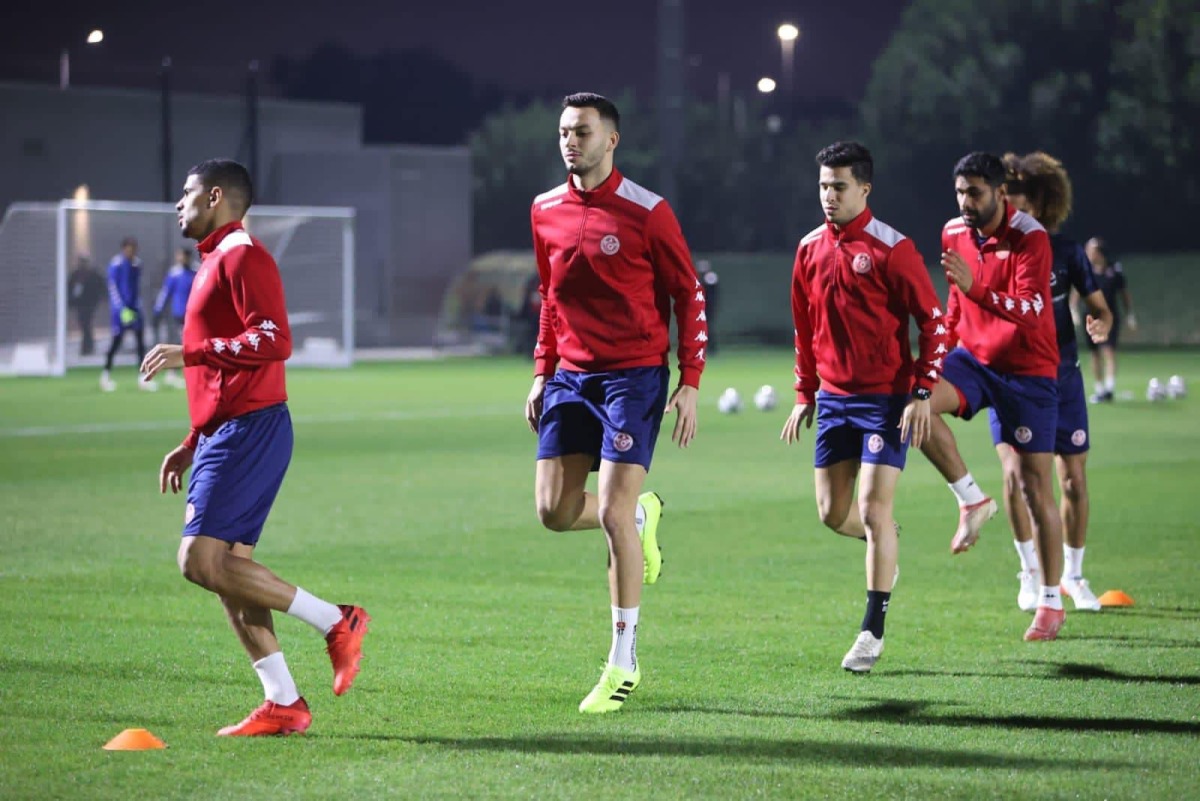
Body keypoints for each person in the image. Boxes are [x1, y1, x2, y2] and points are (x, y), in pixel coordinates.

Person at [139, 158, 369, 737]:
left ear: (215, 197)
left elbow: (274, 338)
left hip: (252, 428)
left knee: (199, 560)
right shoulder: (215, 259)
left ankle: (336, 621)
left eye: (187, 193)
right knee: (227, 571)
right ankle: (284, 702)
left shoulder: (244, 256)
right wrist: (193, 439)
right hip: (228, 430)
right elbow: (226, 369)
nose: (178, 203)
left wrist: (189, 353)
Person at [525, 93, 706, 713]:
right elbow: (550, 298)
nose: (570, 141)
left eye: (582, 132)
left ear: (612, 140)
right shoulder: (544, 209)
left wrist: (691, 379)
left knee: (608, 511)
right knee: (552, 510)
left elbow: (689, 294)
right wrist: (542, 372)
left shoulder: (647, 212)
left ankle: (622, 663)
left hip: (634, 377)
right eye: (563, 132)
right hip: (571, 378)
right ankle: (638, 515)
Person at [782, 141, 950, 673]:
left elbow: (934, 323)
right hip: (833, 399)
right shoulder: (808, 249)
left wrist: (922, 391)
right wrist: (804, 393)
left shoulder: (892, 249)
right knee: (834, 514)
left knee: (875, 508)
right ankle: (886, 543)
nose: (829, 196)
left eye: (840, 187)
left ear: (865, 189)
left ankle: (871, 632)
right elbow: (804, 329)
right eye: (824, 187)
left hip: (884, 400)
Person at [918, 151, 1067, 641]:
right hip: (975, 362)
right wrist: (937, 358)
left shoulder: (1031, 236)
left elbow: (1029, 307)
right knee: (912, 402)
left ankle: (1050, 600)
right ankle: (970, 500)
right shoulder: (953, 232)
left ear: (1000, 193)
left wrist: (977, 287)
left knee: (1032, 485)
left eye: (975, 193)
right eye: (960, 191)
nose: (965, 202)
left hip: (1028, 371)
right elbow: (956, 302)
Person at [999, 152, 1112, 613]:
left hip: (1062, 377)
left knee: (1073, 482)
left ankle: (1073, 574)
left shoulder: (1065, 252)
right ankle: (1028, 573)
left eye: (1018, 201)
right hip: (1009, 379)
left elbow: (1099, 306)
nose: (1010, 210)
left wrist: (1100, 322)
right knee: (1015, 475)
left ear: (1041, 202)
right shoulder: (991, 248)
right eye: (1004, 200)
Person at [1082, 237, 1136, 403]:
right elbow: (1076, 293)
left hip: (1109, 317)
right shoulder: (1086, 270)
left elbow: (1124, 294)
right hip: (1091, 316)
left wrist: (1130, 315)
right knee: (1095, 354)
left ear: (1099, 253)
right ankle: (1099, 390)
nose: (1088, 254)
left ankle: (1109, 389)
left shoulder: (1114, 270)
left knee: (1109, 351)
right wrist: (1072, 310)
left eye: (1091, 251)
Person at [101, 237, 155, 392]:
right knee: (116, 343)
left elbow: (137, 288)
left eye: (134, 248)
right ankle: (106, 375)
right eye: (129, 248)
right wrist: (121, 309)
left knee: (140, 344)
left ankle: (143, 378)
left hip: (135, 311)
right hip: (120, 312)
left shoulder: (137, 264)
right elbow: (113, 288)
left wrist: (137, 306)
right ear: (124, 248)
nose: (132, 251)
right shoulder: (116, 264)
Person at [153, 246, 198, 388]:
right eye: (179, 255)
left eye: (183, 256)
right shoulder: (174, 274)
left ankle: (190, 373)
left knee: (192, 344)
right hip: (179, 314)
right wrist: (158, 310)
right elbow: (165, 293)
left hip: (194, 314)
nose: (181, 258)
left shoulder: (196, 271)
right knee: (180, 343)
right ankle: (172, 374)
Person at [68, 254, 104, 356]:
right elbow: (70, 288)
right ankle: (87, 346)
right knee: (84, 324)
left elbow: (100, 286)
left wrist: (98, 298)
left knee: (86, 324)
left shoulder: (93, 275)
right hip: (80, 304)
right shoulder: (76, 275)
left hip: (90, 303)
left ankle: (87, 347)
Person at [698, 260, 720, 354]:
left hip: (709, 307)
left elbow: (711, 293)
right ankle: (705, 347)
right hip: (703, 307)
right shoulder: (702, 279)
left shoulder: (710, 277)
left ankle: (712, 347)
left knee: (708, 327)